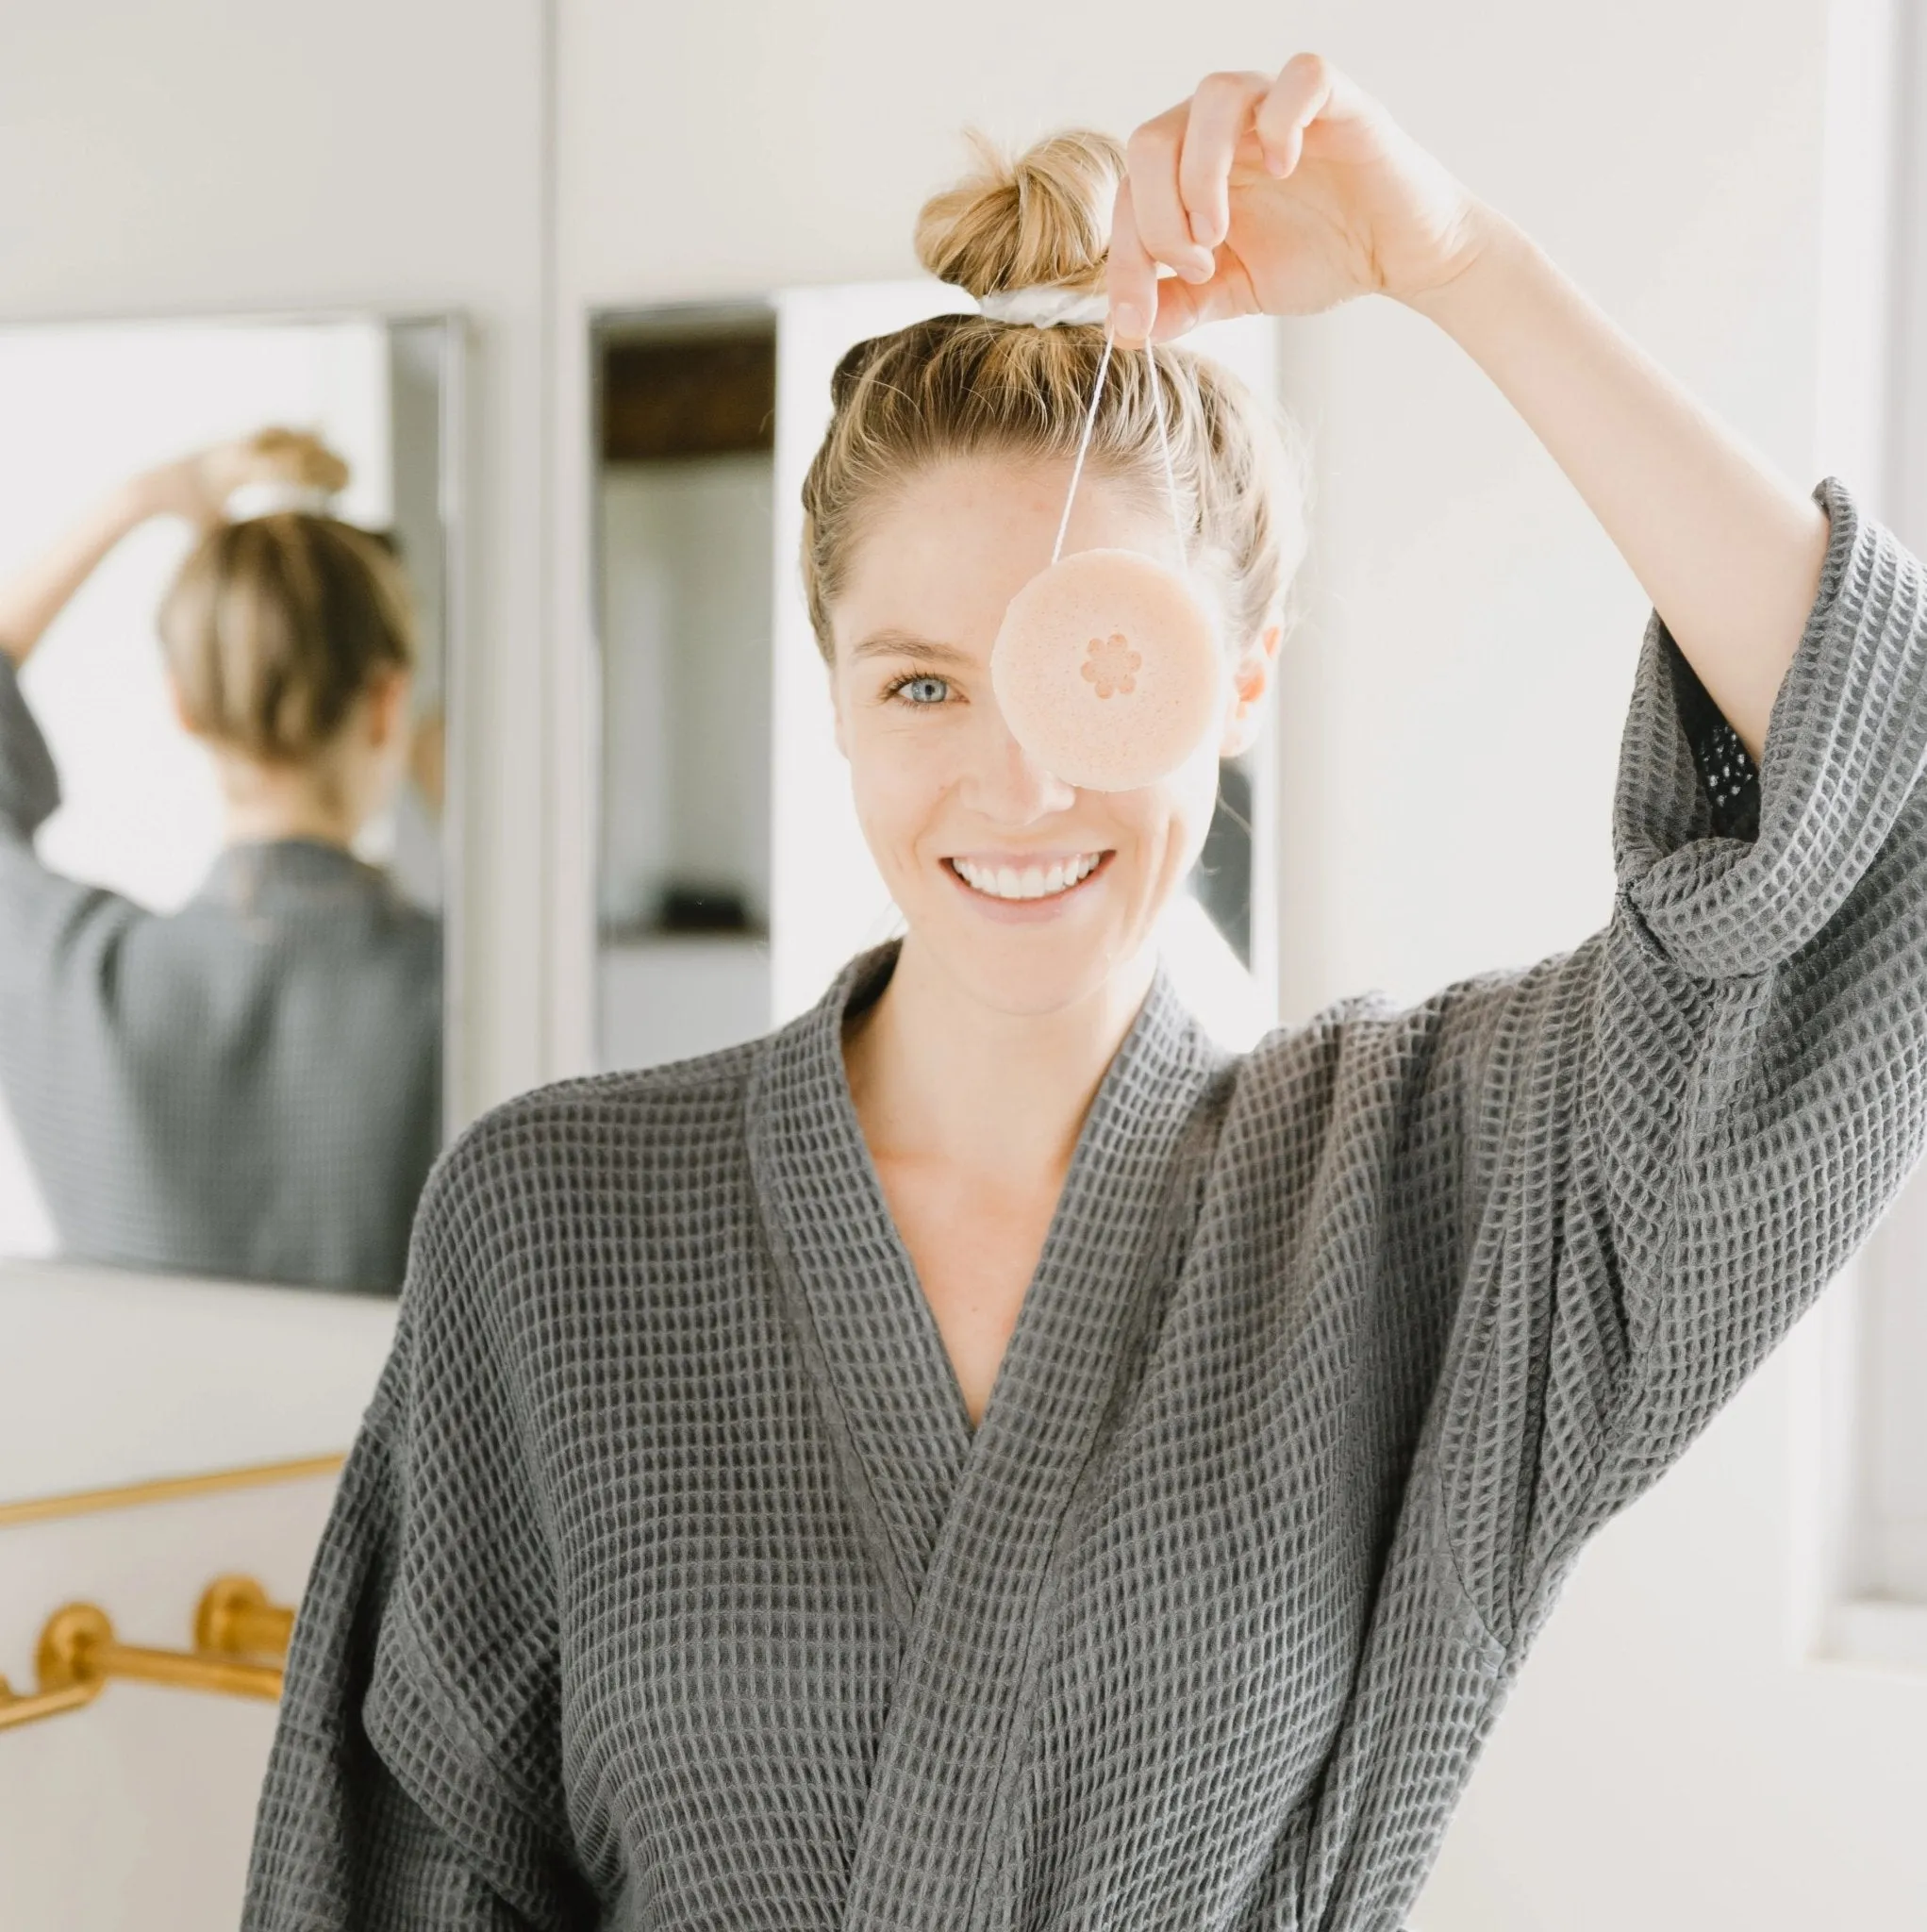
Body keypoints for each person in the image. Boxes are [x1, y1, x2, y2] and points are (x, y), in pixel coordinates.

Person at [245, 55, 1926, 1929]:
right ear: (829, 691)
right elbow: (397, 1872)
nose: (1018, 781)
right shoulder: (555, 1219)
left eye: (1095, 664)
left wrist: (1460, 265)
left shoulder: (1423, 1189)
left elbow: (1872, 792)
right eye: (920, 684)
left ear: (1239, 679)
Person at [0, 429, 441, 1293]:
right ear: (387, 702)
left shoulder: (75, 978)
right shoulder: (462, 986)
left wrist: (145, 498)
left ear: (183, 705)